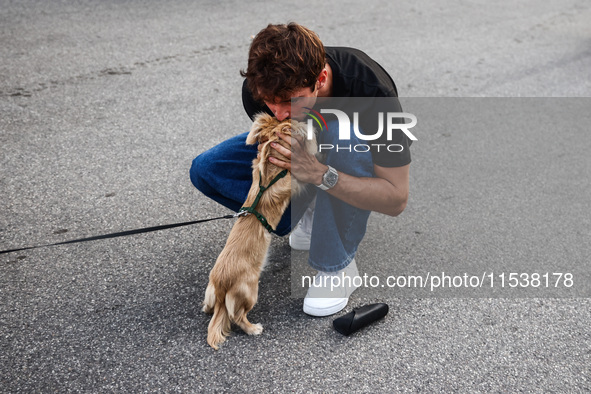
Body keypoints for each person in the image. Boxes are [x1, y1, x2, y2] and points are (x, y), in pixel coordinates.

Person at [190, 22, 411, 317]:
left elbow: (396, 199)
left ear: (320, 79)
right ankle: (306, 213)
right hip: (310, 154)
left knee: (341, 136)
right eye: (270, 102)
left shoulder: (373, 94)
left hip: (348, 153)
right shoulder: (260, 90)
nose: (278, 113)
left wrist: (319, 174)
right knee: (206, 168)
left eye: (289, 101)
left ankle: (338, 266)